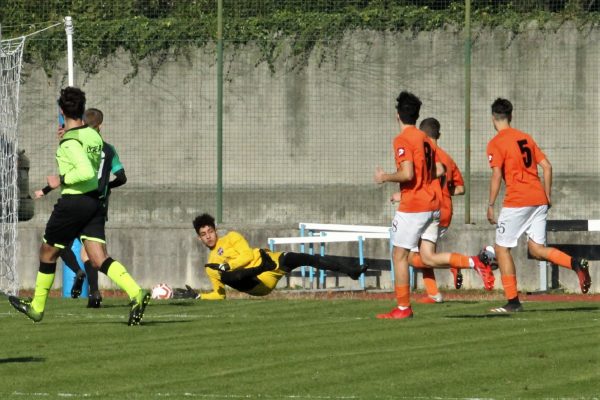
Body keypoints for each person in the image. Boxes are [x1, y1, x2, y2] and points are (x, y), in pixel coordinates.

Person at [9, 87, 149, 326]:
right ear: (82, 111)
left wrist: (59, 180)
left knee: (47, 252)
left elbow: (84, 172)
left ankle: (37, 307)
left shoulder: (69, 143)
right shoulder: (93, 137)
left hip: (74, 202)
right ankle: (136, 292)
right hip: (95, 202)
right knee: (98, 257)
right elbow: (88, 158)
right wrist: (68, 137)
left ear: (62, 111)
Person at [373, 91, 495, 319]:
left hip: (415, 205)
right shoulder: (424, 139)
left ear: (397, 115)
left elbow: (408, 173)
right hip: (434, 205)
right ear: (416, 115)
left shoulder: (402, 139)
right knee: (427, 256)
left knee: (399, 255)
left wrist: (385, 177)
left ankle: (403, 308)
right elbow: (435, 170)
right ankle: (474, 261)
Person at [486, 98, 590, 313]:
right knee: (536, 249)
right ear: (511, 116)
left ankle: (513, 301)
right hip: (538, 198)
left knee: (501, 248)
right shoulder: (525, 138)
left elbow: (496, 174)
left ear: (492, 118)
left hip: (518, 200)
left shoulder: (496, 143)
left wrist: (490, 204)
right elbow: (547, 167)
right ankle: (575, 263)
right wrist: (547, 195)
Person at [34, 108, 128, 309]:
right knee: (93, 254)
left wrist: (46, 188)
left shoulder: (79, 144)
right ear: (100, 126)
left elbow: (75, 171)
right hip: (99, 205)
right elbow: (122, 177)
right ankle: (97, 293)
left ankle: (74, 275)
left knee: (58, 244)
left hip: (77, 201)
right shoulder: (108, 148)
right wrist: (106, 187)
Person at [192, 213, 367, 299]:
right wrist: (199, 296)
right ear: (199, 238)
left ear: (215, 230)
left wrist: (228, 265)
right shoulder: (211, 264)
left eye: (210, 231)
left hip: (270, 261)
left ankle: (351, 271)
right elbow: (219, 295)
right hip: (258, 282)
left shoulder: (232, 237)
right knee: (228, 276)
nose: (208, 236)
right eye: (203, 234)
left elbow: (246, 255)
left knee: (306, 258)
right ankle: (261, 267)